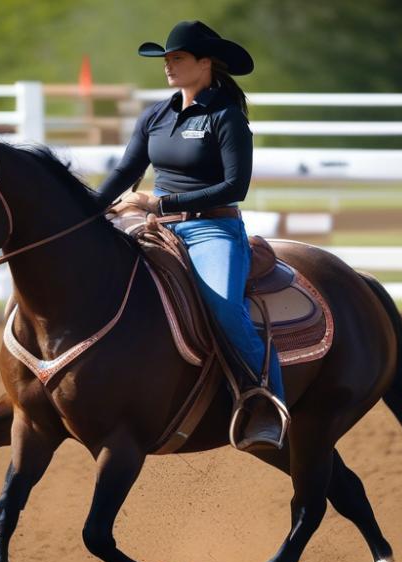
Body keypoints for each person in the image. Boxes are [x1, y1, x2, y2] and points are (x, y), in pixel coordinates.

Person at [96, 20, 286, 451]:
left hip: (211, 229)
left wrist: (158, 204)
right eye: (165, 59)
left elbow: (235, 187)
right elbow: (126, 172)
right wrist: (88, 209)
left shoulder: (226, 116)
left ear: (206, 63)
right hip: (150, 225)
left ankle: (266, 405)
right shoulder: (156, 116)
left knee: (224, 307)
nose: (168, 65)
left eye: (177, 58)